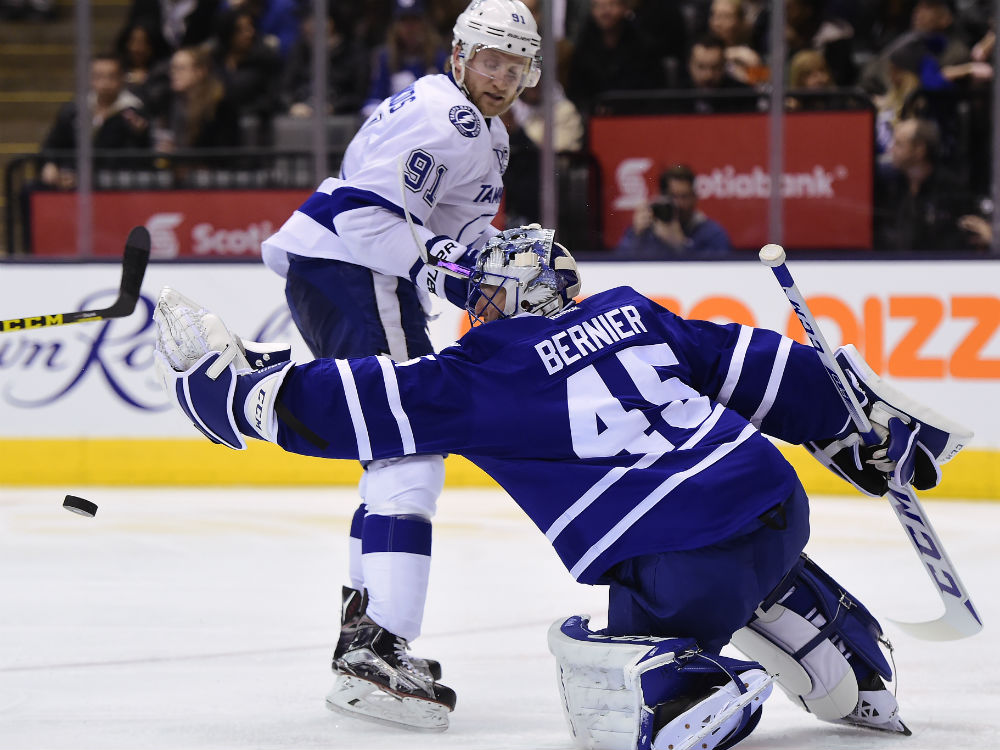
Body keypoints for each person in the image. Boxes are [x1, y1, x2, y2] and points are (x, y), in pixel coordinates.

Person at [152, 224, 969, 748]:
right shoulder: (634, 311)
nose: (475, 309)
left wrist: (231, 397)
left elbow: (364, 406)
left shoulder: (485, 370)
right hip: (774, 503)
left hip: (677, 560)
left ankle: (699, 687)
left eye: (484, 294)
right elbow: (758, 362)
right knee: (749, 561)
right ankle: (848, 666)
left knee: (594, 666)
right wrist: (856, 427)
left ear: (512, 293)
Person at [251, 0, 545, 732]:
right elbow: (368, 216)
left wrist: (502, 266)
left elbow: (457, 226)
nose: (501, 76)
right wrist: (455, 280)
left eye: (514, 66)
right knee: (410, 448)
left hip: (350, 273)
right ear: (459, 53)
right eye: (490, 60)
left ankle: (366, 631)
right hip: (351, 267)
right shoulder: (444, 117)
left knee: (397, 451)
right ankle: (376, 645)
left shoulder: (486, 131)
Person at [39, 54, 151, 190]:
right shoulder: (74, 110)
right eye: (99, 76)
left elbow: (137, 156)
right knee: (31, 189)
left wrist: (140, 134)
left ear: (121, 78)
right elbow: (53, 144)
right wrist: (50, 164)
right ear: (91, 79)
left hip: (114, 185)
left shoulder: (134, 112)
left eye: (111, 76)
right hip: (70, 179)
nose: (105, 83)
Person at [874, 116, 978, 251]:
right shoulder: (891, 185)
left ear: (919, 150)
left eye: (899, 144)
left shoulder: (951, 191)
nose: (891, 150)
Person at [565, 0, 666, 115]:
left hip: (637, 117)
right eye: (599, 6)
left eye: (612, 5)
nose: (605, 12)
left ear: (625, 8)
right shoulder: (583, 47)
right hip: (593, 120)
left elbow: (654, 92)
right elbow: (576, 93)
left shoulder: (643, 46)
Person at [615, 164, 732, 258]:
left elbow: (720, 272)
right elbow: (618, 267)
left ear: (695, 198)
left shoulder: (712, 233)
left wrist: (681, 245)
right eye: (673, 196)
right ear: (662, 196)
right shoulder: (647, 229)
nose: (678, 204)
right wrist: (637, 235)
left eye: (684, 196)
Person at [360, 0, 449, 118]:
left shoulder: (439, 57)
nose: (410, 28)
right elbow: (375, 97)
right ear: (396, 25)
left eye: (414, 20)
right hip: (394, 121)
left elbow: (448, 96)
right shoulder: (385, 57)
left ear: (423, 23)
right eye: (404, 21)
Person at [281, 6, 368, 118]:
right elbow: (284, 89)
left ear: (329, 23)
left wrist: (334, 107)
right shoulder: (299, 51)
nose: (304, 26)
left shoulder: (354, 53)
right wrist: (292, 105)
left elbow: (359, 95)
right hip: (301, 119)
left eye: (309, 20)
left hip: (340, 121)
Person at [152, 45, 241, 152]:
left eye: (180, 68)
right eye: (172, 68)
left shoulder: (220, 106)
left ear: (200, 72)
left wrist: (179, 157)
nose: (173, 73)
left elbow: (223, 153)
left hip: (210, 167)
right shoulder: (169, 102)